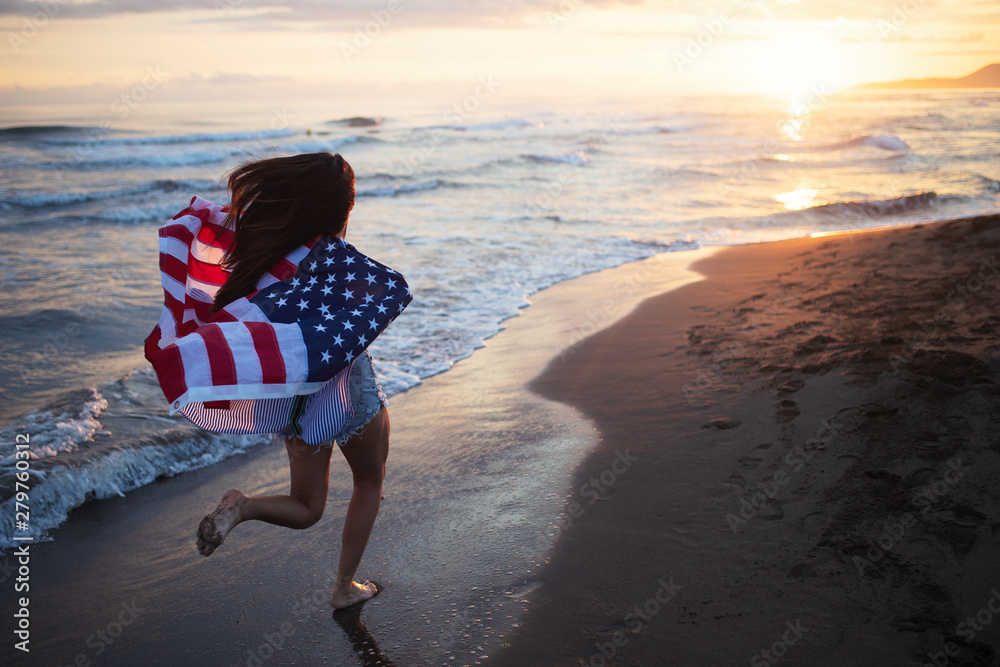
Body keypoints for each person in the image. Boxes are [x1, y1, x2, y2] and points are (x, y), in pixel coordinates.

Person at [188, 152, 396, 610]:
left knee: (307, 506)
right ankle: (343, 588)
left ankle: (244, 506)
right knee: (369, 479)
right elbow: (382, 295)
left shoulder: (267, 259)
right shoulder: (337, 261)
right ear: (341, 211)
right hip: (347, 391)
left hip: (298, 399)